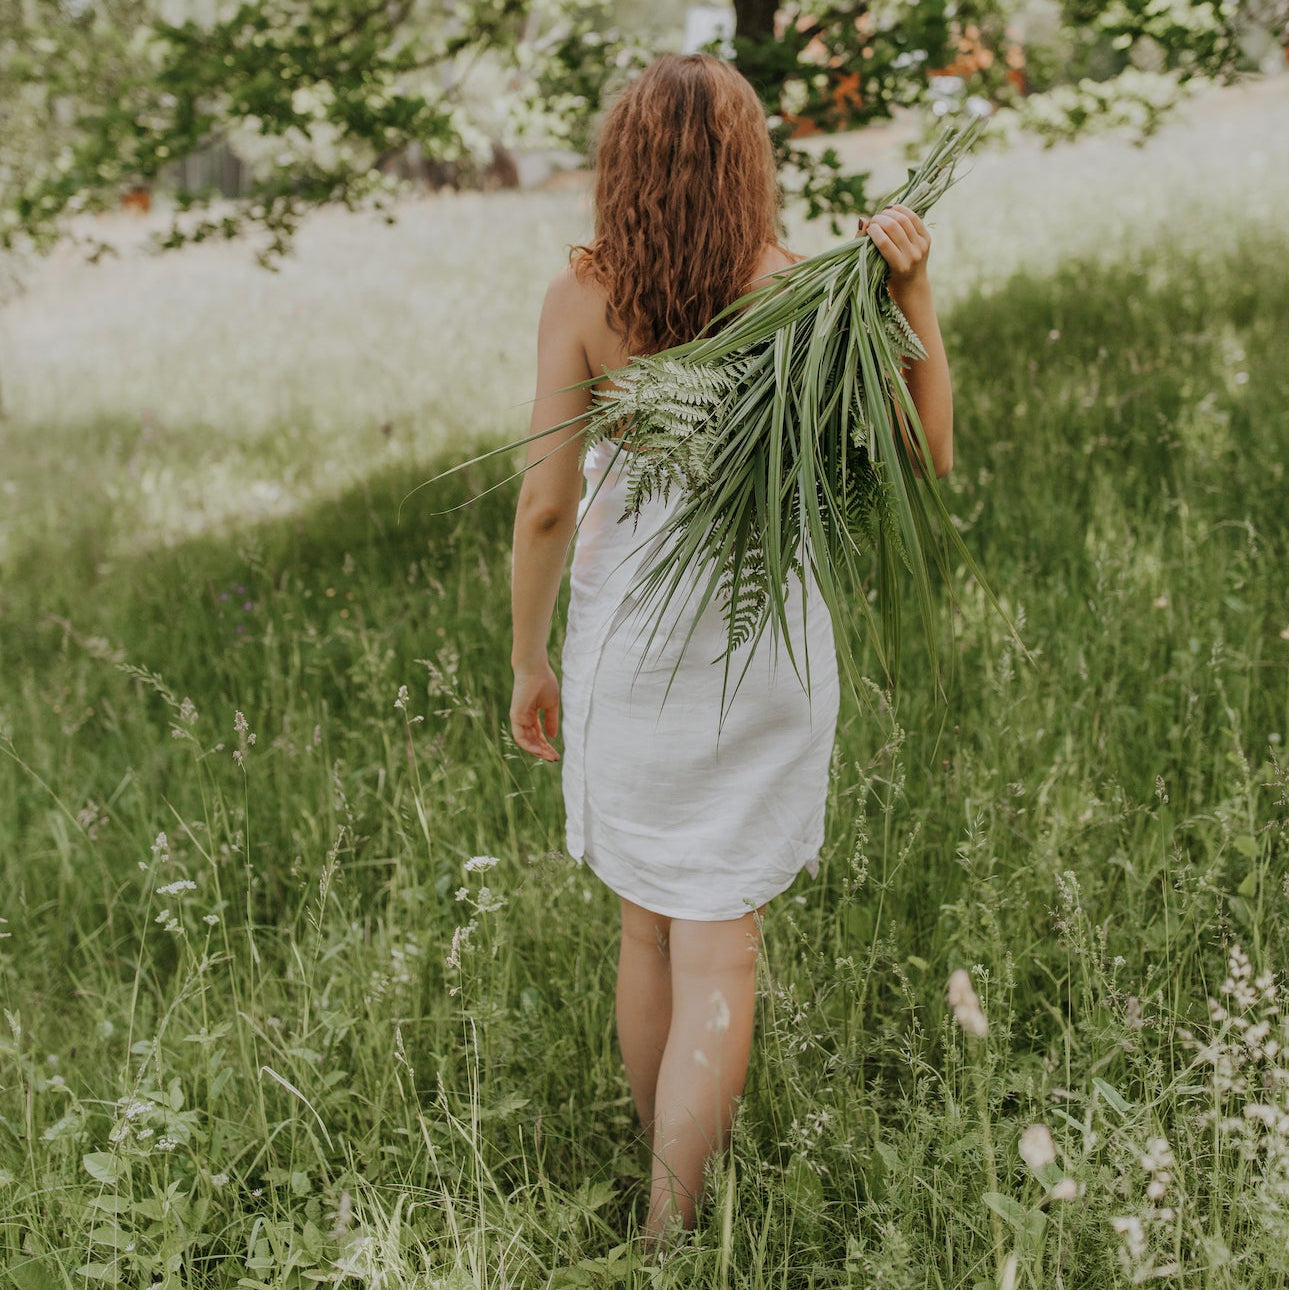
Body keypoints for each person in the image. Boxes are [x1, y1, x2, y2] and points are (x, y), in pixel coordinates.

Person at [508, 53, 952, 1250]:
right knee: (722, 949)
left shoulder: (583, 299)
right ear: (749, 162)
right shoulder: (805, 291)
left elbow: (544, 506)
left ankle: (661, 1210)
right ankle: (673, 1223)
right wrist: (913, 294)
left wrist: (528, 657)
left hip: (632, 659)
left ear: (621, 163)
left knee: (646, 929)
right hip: (765, 658)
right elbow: (927, 455)